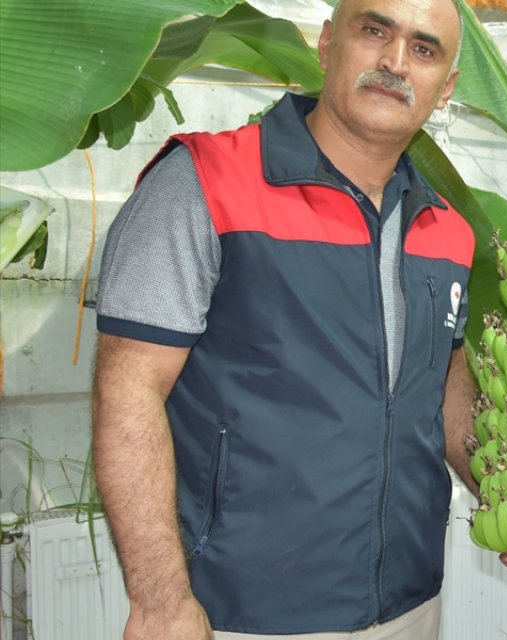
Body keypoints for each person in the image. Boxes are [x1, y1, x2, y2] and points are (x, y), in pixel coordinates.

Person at [90, 0, 476, 637]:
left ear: (446, 86)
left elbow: (444, 380)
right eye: (374, 30)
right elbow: (128, 389)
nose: (395, 62)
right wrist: (160, 603)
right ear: (328, 45)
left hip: (409, 602)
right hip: (243, 610)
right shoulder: (206, 183)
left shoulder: (447, 232)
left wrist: (506, 494)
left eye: (424, 48)